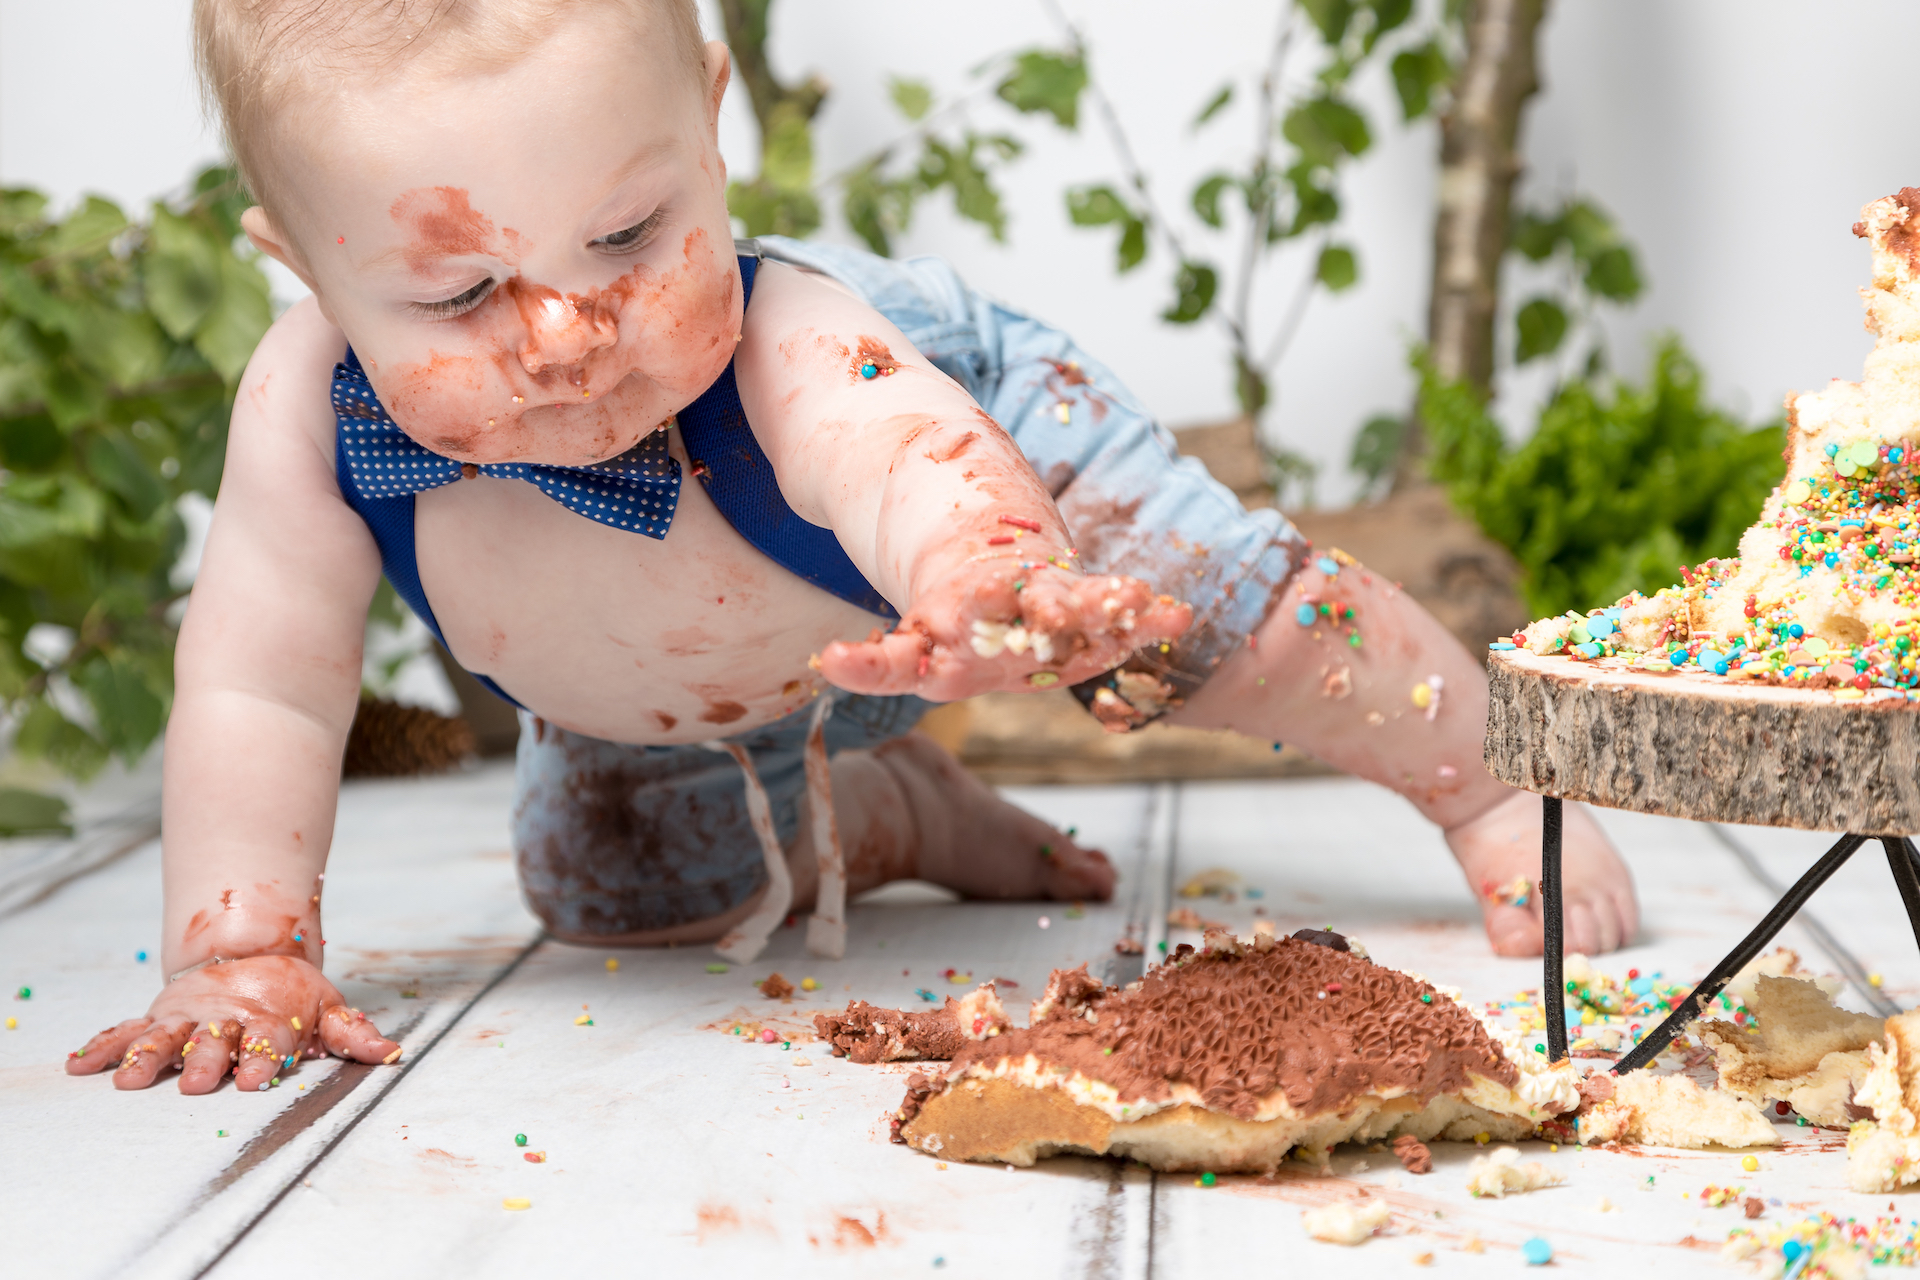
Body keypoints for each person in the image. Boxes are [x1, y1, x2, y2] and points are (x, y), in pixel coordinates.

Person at [69, 0, 1637, 1094]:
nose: (567, 336)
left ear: (711, 117)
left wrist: (989, 578)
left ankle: (1496, 791)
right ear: (299, 263)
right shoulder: (306, 418)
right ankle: (898, 814)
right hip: (685, 703)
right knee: (601, 884)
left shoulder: (785, 337)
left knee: (1241, 634)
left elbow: (904, 462)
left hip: (983, 502)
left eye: (625, 238)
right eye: (460, 296)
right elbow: (262, 694)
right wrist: (244, 951)